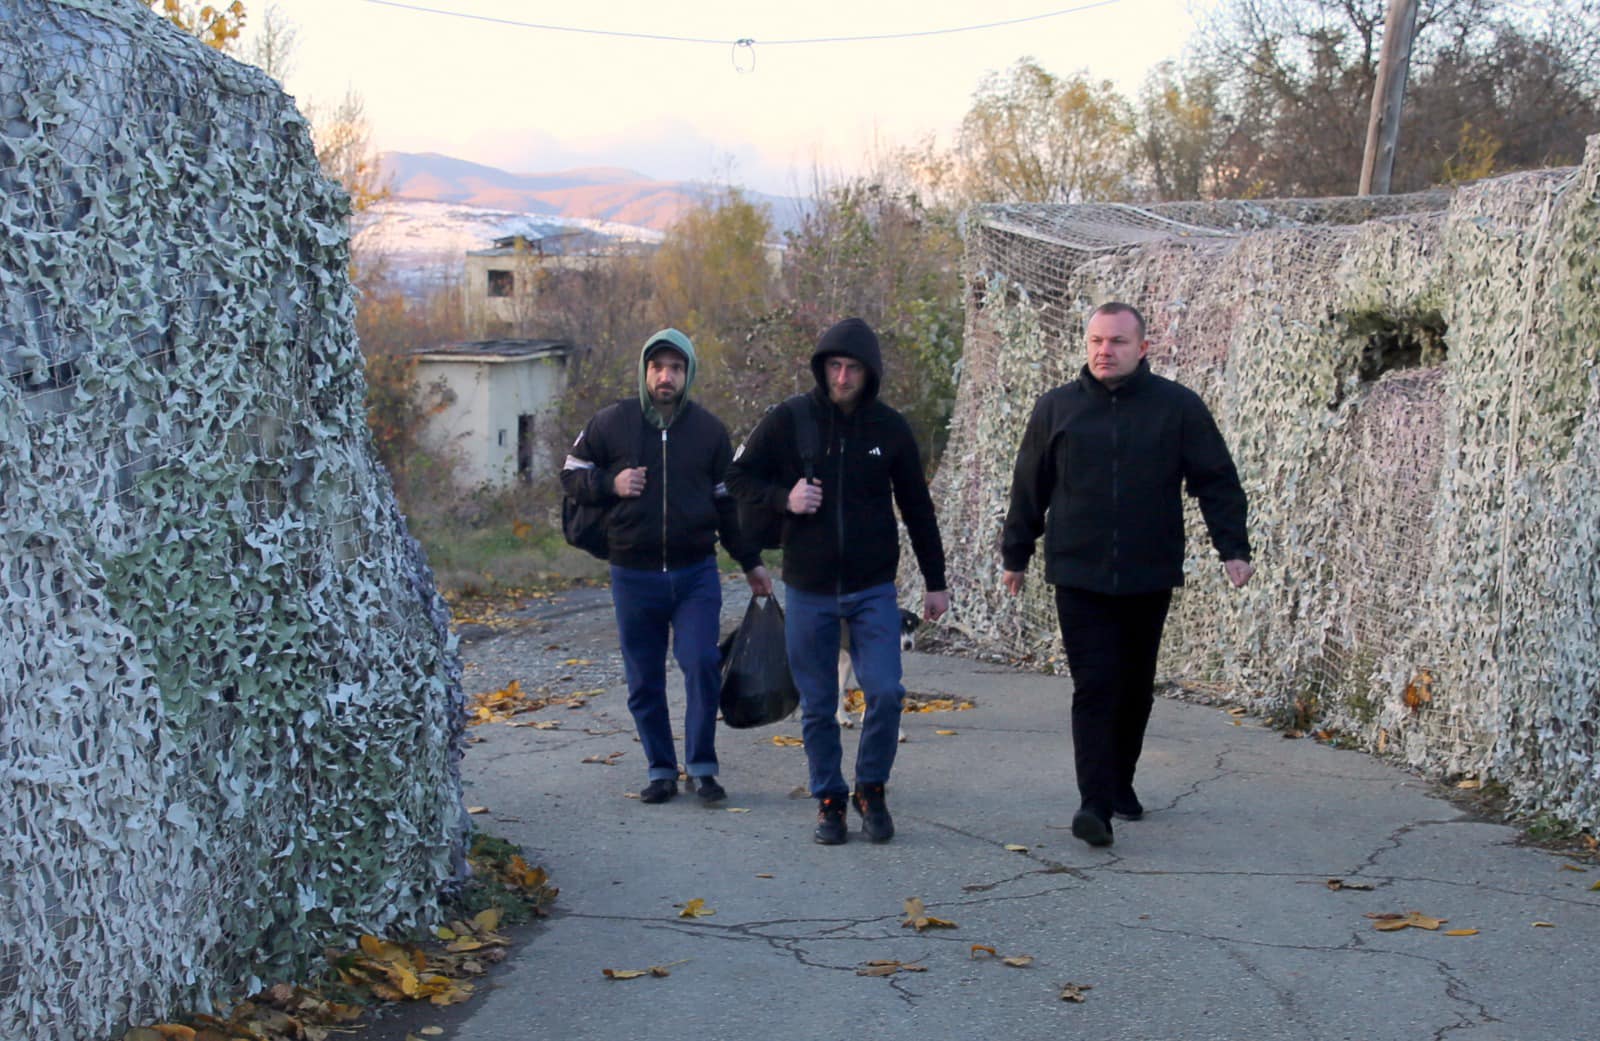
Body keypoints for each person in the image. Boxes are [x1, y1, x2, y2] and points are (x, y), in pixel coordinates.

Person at [1000, 301, 1254, 848]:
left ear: (1142, 348)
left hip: (1148, 571)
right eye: (1095, 341)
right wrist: (1016, 554)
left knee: (1135, 688)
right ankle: (1093, 804)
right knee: (1095, 685)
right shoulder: (1057, 409)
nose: (1103, 351)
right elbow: (1029, 485)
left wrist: (1232, 548)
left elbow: (1216, 480)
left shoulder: (1177, 408)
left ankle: (1120, 781)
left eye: (1116, 342)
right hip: (1078, 572)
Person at [727, 317, 949, 845]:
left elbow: (918, 507)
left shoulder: (889, 428)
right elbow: (737, 477)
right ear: (822, 367)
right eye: (834, 366)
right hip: (809, 585)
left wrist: (935, 581)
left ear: (869, 373)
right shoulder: (790, 419)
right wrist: (786, 499)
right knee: (820, 702)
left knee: (887, 692)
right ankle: (829, 798)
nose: (843, 377)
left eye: (852, 368)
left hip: (873, 587)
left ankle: (871, 787)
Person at [561, 329, 772, 805]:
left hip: (694, 572)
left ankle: (701, 767)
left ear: (688, 374)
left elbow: (726, 506)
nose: (665, 376)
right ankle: (660, 769)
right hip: (632, 574)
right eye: (657, 366)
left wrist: (751, 562)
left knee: (700, 662)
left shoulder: (709, 431)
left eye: (675, 368)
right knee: (644, 677)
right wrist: (610, 483)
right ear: (644, 370)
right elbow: (570, 474)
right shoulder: (611, 422)